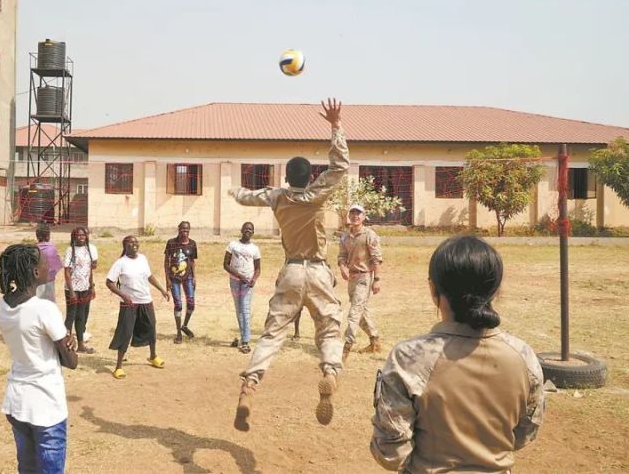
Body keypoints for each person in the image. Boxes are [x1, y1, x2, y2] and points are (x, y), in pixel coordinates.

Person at [370, 235, 545, 473]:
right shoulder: (523, 357)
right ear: (494, 290)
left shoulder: (408, 358)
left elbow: (391, 455)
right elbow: (524, 433)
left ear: (433, 289)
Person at [228, 97, 348, 430]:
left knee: (272, 334)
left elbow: (248, 196)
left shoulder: (277, 195)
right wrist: (335, 125)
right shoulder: (318, 193)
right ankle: (329, 372)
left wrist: (233, 191)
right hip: (319, 271)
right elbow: (339, 166)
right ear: (310, 177)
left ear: (286, 176)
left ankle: (250, 384)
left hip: (292, 271)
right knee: (329, 328)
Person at [0, 244, 78, 474]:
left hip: (17, 401)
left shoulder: (4, 305)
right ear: (34, 272)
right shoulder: (44, 309)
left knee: (28, 468)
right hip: (45, 405)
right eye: (45, 263)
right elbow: (71, 362)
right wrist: (68, 343)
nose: (49, 266)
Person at [106, 235, 169, 379]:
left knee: (151, 327)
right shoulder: (120, 263)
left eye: (136, 242)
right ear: (125, 245)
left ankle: (153, 356)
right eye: (131, 242)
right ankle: (118, 367)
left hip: (146, 300)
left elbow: (149, 276)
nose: (134, 244)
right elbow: (109, 282)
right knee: (126, 332)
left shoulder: (143, 259)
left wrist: (162, 290)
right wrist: (123, 296)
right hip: (129, 303)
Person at [337, 204, 383, 360]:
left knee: (354, 313)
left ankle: (346, 347)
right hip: (352, 278)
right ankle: (375, 341)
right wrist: (342, 267)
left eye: (358, 213)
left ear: (363, 217)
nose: (355, 216)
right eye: (352, 213)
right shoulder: (345, 236)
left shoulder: (370, 235)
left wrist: (376, 280)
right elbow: (342, 255)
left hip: (365, 278)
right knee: (362, 311)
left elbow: (376, 259)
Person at [223, 222, 261, 354]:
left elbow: (258, 268)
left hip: (247, 284)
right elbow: (226, 264)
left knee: (245, 309)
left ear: (253, 232)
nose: (248, 231)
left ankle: (245, 342)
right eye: (246, 229)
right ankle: (243, 336)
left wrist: (253, 279)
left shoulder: (255, 249)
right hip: (235, 282)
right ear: (241, 230)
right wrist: (239, 276)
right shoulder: (233, 245)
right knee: (239, 310)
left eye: (250, 229)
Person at [63, 226, 99, 354]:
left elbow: (90, 270)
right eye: (78, 235)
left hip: (85, 288)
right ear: (74, 236)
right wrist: (71, 291)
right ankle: (64, 345)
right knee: (71, 316)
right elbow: (67, 272)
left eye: (83, 235)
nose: (81, 237)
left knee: (81, 316)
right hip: (72, 289)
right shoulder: (70, 250)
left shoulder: (89, 250)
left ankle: (81, 345)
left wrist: (91, 286)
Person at [164, 221, 198, 344]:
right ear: (178, 229)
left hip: (188, 277)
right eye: (183, 229)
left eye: (187, 230)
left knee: (191, 304)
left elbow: (192, 261)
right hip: (174, 278)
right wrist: (167, 279)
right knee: (178, 304)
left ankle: (184, 326)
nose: (185, 232)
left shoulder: (192, 244)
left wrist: (194, 277)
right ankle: (178, 333)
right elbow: (166, 262)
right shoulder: (171, 243)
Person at [34, 223, 64, 302]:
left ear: (37, 236)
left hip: (36, 282)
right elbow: (57, 265)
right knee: (49, 304)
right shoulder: (52, 249)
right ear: (48, 236)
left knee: (37, 303)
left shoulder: (33, 249)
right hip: (49, 281)